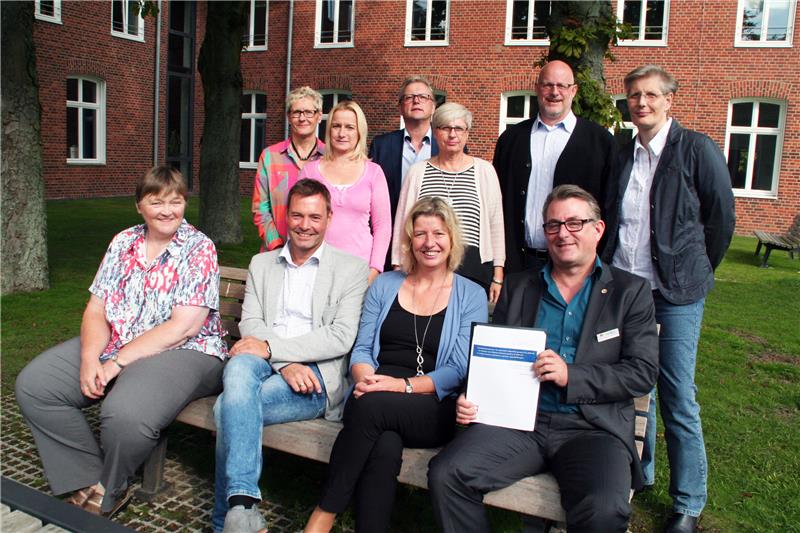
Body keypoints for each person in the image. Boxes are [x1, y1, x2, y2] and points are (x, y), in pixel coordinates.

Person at [428, 185, 659, 533]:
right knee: (448, 474)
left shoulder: (630, 292)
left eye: (574, 223)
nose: (563, 233)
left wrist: (572, 376)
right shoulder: (520, 287)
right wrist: (472, 394)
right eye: (553, 225)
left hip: (591, 429)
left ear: (598, 229)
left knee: (604, 509)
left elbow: (642, 373)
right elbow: (494, 356)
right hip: (520, 424)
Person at [16, 166, 226, 517]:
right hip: (121, 340)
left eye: (176, 201)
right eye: (156, 201)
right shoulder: (123, 242)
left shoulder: (199, 248)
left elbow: (183, 327)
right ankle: (85, 475)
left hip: (187, 351)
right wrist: (88, 357)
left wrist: (114, 363)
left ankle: (110, 486)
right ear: (138, 206)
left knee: (125, 414)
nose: (167, 210)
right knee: (37, 386)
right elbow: (96, 310)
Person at [602, 65, 735, 533]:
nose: (642, 103)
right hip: (626, 288)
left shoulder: (695, 149)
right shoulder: (623, 152)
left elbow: (721, 221)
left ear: (669, 100)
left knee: (678, 394)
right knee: (638, 387)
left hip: (676, 293)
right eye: (634, 96)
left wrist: (692, 269)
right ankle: (646, 471)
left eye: (651, 95)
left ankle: (689, 502)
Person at [304, 197, 488, 533]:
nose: (429, 243)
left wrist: (398, 386)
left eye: (438, 233)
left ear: (452, 239)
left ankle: (323, 515)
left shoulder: (471, 295)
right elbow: (361, 349)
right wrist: (365, 378)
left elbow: (458, 369)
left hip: (431, 405)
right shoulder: (386, 285)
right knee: (384, 445)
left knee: (370, 409)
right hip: (374, 391)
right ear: (408, 240)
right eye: (420, 234)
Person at [212, 179, 369, 533]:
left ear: (329, 217)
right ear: (286, 217)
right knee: (239, 367)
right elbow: (251, 322)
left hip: (314, 377)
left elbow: (340, 337)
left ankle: (228, 520)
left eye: (314, 216)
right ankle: (243, 505)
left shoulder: (351, 269)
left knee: (227, 409)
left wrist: (275, 352)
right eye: (297, 215)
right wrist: (284, 362)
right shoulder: (262, 263)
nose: (305, 225)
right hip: (271, 362)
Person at [493, 60, 617, 274]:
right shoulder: (511, 140)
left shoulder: (601, 142)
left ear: (574, 90)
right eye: (547, 85)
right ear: (537, 88)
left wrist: (599, 263)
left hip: (577, 267)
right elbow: (496, 203)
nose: (554, 92)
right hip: (519, 264)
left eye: (562, 86)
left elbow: (611, 208)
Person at [392, 102, 505, 303]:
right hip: (425, 266)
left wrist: (497, 275)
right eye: (445, 128)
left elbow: (496, 224)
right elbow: (403, 222)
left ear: (467, 133)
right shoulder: (418, 171)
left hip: (473, 268)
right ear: (435, 132)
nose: (452, 135)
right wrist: (399, 266)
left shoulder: (485, 170)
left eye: (459, 128)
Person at [299, 100, 391, 284]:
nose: (342, 133)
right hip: (315, 268)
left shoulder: (373, 172)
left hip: (359, 271)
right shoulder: (309, 171)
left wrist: (374, 270)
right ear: (328, 130)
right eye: (336, 126)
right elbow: (297, 221)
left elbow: (383, 227)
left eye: (349, 127)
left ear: (359, 132)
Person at [369, 75, 439, 270]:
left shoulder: (447, 146)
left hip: (435, 244)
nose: (416, 100)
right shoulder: (381, 146)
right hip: (394, 241)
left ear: (433, 106)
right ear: (400, 107)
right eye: (409, 97)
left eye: (423, 97)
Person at [252, 86, 325, 251]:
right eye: (296, 112)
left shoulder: (330, 158)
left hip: (320, 255)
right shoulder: (270, 157)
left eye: (308, 112)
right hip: (277, 251)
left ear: (319, 116)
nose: (302, 118)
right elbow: (260, 209)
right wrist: (276, 246)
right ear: (288, 117)